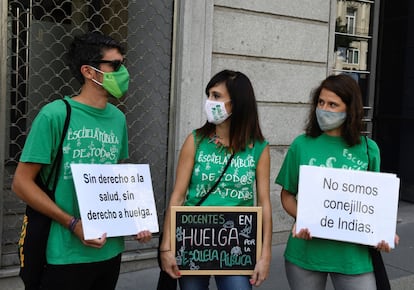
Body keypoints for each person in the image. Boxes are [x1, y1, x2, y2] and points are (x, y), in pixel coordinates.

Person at [12, 32, 152, 290]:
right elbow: (21, 184)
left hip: (109, 251)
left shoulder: (118, 119)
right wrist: (73, 224)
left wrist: (137, 217)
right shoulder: (55, 115)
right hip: (62, 254)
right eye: (116, 66)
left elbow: (117, 174)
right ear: (89, 72)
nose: (124, 73)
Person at [275, 74, 399, 290]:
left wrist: (383, 232)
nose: (324, 109)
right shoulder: (301, 145)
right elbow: (287, 195)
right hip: (306, 254)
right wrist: (303, 218)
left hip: (353, 257)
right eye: (321, 102)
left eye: (333, 104)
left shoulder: (369, 150)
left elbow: (374, 203)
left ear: (350, 109)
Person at [159, 70, 272, 290]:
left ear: (237, 103)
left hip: (237, 242)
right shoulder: (196, 141)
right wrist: (166, 247)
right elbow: (178, 195)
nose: (209, 101)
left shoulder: (258, 148)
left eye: (217, 96)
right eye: (209, 94)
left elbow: (264, 203)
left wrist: (265, 253)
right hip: (193, 240)